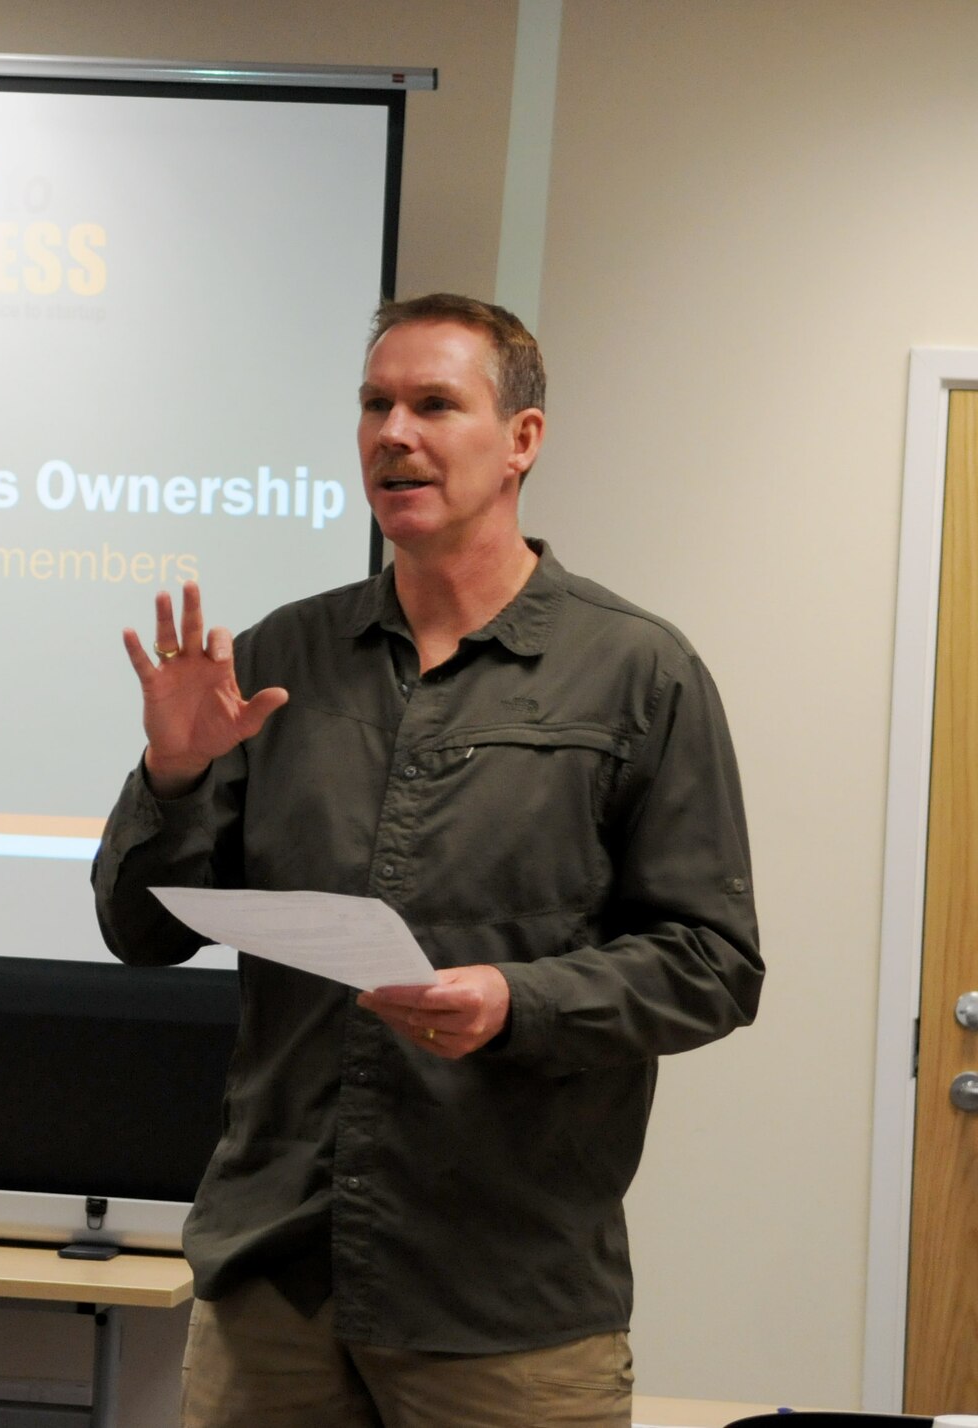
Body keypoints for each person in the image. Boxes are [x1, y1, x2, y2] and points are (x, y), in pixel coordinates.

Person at [92, 293, 762, 1428]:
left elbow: (711, 962)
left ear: (520, 441)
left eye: (432, 404)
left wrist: (520, 1000)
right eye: (373, 404)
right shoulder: (278, 658)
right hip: (278, 1278)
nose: (391, 432)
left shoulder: (636, 673)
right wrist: (171, 776)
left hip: (504, 1295)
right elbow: (141, 932)